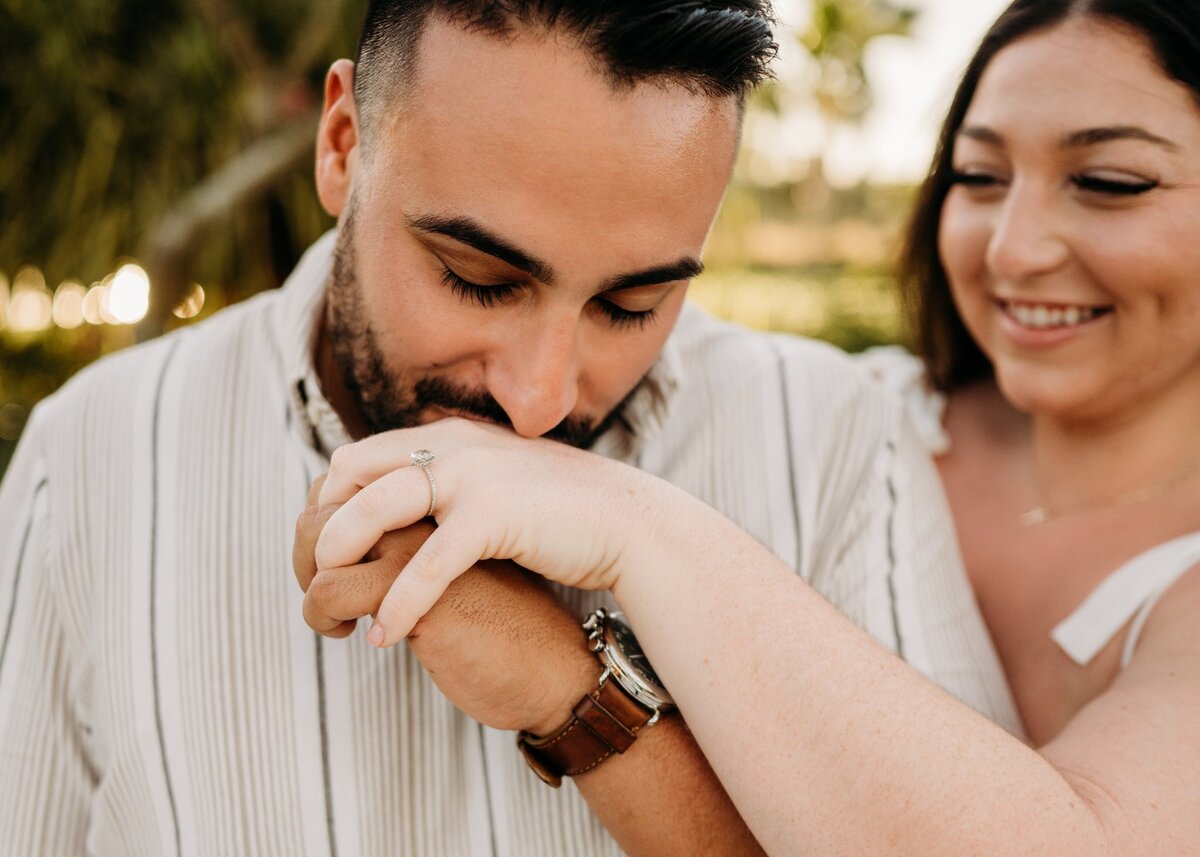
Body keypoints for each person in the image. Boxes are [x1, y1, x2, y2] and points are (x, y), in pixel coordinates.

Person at [0, 2, 1020, 855]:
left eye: (632, 305)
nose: (538, 401)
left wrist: (586, 696)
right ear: (343, 144)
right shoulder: (94, 456)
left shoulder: (834, 439)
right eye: (478, 279)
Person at [304, 0, 1200, 854]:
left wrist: (625, 528)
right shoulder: (852, 413)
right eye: (977, 175)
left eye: (1109, 182)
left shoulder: (825, 436)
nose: (1010, 246)